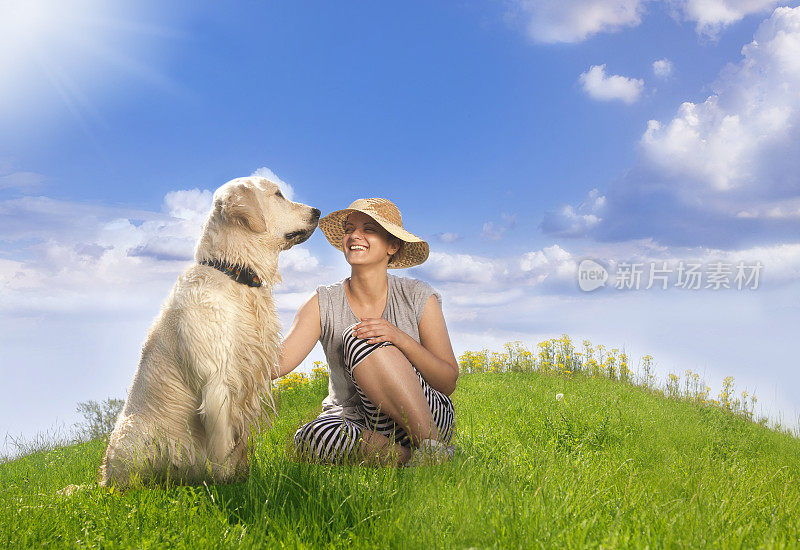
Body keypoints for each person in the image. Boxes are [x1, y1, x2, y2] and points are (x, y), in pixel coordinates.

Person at [272, 198, 459, 467]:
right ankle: (413, 461)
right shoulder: (322, 301)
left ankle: (430, 444)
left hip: (425, 412)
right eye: (349, 229)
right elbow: (278, 363)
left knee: (361, 336)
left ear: (392, 246)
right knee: (309, 437)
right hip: (359, 422)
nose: (354, 236)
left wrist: (398, 338)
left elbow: (447, 382)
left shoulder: (419, 296)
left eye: (369, 229)